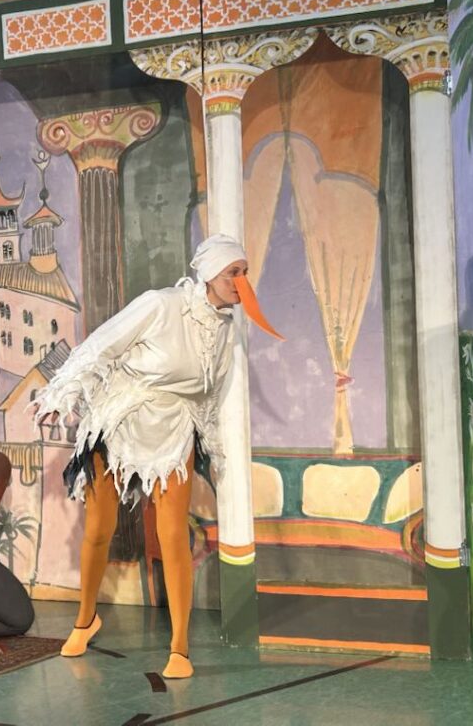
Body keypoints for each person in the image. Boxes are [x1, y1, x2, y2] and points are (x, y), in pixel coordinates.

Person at [32, 233, 281, 679]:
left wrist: (213, 445)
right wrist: (61, 392)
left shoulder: (226, 330)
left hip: (173, 429)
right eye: (233, 272)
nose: (241, 281)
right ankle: (86, 620)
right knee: (99, 529)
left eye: (245, 272)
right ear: (211, 274)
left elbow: (211, 393)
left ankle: (180, 648)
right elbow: (102, 344)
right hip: (120, 419)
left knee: (172, 536)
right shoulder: (161, 305)